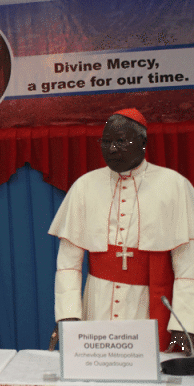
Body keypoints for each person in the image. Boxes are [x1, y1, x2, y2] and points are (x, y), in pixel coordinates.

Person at [48, 108, 194, 355]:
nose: (112, 149)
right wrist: (69, 314)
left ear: (143, 143)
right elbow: (68, 264)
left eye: (120, 141)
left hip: (149, 302)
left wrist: (185, 322)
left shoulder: (175, 185)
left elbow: (188, 264)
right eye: (105, 142)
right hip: (97, 302)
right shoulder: (85, 186)